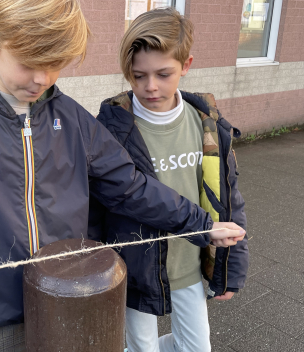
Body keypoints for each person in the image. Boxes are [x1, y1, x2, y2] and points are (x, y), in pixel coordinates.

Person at [0, 1, 244, 351]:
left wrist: (200, 223)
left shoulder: (74, 119)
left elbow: (130, 187)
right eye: (28, 62)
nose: (42, 78)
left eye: (55, 64)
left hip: (73, 298)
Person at [88, 7, 248, 352]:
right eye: (138, 75)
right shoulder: (111, 129)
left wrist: (230, 269)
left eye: (164, 73)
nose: (150, 86)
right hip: (135, 268)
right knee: (141, 347)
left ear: (186, 65)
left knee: (196, 347)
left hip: (188, 262)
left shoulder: (207, 124)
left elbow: (230, 197)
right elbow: (98, 204)